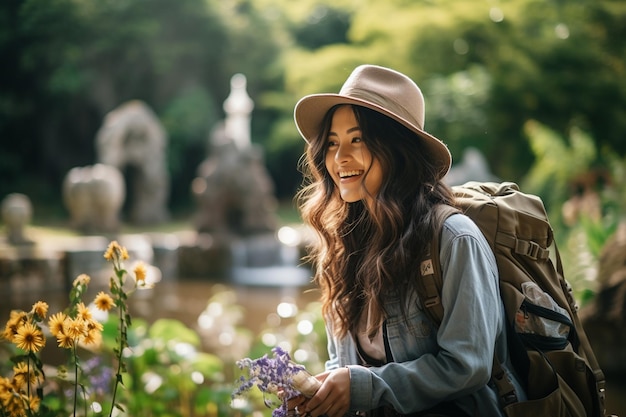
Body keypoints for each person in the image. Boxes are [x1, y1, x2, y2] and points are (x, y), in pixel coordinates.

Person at [291, 64, 526, 417]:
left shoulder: (453, 239)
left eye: (358, 139)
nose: (340, 158)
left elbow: (469, 365)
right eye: (333, 143)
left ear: (397, 149)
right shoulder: (344, 247)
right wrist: (325, 394)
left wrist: (362, 387)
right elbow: (344, 364)